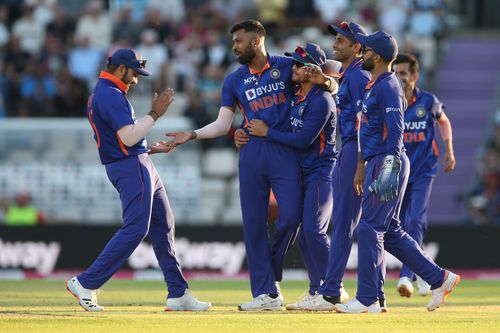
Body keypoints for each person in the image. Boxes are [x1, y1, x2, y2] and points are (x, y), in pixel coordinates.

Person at [165, 20, 336, 311]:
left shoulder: (286, 66)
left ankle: (274, 271)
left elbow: (327, 86)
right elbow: (222, 124)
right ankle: (266, 293)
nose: (234, 47)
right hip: (251, 153)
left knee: (291, 217)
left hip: (284, 151)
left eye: (239, 41)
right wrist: (192, 135)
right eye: (234, 42)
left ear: (257, 41)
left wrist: (327, 81)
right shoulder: (234, 80)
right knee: (254, 225)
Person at [66, 48, 211, 312]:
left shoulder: (104, 93)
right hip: (130, 167)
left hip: (136, 161)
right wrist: (155, 114)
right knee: (136, 228)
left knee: (164, 225)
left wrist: (149, 148)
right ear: (121, 69)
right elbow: (128, 138)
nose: (135, 80)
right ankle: (86, 283)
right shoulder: (109, 95)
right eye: (133, 73)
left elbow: (120, 140)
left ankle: (178, 293)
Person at [333, 31, 460, 313]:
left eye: (365, 51)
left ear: (376, 56)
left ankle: (367, 299)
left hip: (388, 161)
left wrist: (388, 167)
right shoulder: (376, 84)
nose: (362, 55)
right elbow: (368, 129)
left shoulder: (389, 85)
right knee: (388, 230)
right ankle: (440, 278)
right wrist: (361, 165)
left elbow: (396, 129)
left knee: (369, 227)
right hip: (376, 160)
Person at [244, 43, 337, 310]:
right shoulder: (297, 95)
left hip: (321, 171)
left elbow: (304, 139)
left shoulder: (321, 100)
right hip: (301, 172)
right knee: (304, 230)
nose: (292, 68)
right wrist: (245, 131)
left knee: (312, 230)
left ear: (311, 70)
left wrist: (266, 133)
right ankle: (316, 289)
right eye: (293, 63)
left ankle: (333, 287)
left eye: (299, 64)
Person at [393, 53, 456, 297]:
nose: (399, 78)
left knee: (414, 221)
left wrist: (449, 150)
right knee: (398, 224)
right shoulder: (391, 100)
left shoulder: (428, 100)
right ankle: (424, 271)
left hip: (423, 170)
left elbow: (444, 121)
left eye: (403, 74)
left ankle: (407, 276)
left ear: (414, 76)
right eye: (395, 73)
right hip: (398, 172)